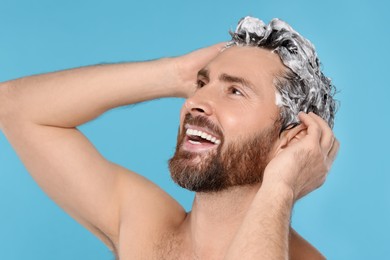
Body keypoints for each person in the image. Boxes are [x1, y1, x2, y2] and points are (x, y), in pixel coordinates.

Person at [0, 16, 339, 259]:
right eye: (203, 84)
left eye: (235, 91)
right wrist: (172, 74)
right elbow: (15, 107)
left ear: (292, 139)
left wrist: (281, 187)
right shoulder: (145, 227)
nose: (195, 102)